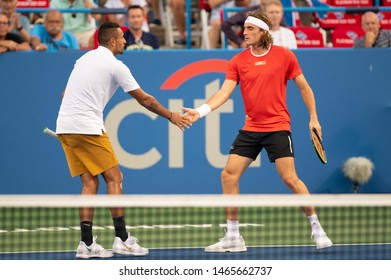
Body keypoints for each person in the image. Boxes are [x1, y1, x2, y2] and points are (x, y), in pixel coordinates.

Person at [182, 10, 333, 252]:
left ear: (263, 31)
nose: (245, 32)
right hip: (251, 127)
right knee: (228, 175)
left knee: (290, 179)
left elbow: (304, 88)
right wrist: (199, 112)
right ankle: (233, 236)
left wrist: (313, 118)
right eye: (245, 28)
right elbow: (224, 93)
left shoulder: (285, 56)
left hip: (278, 127)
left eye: (250, 28)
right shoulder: (238, 61)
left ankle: (317, 228)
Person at [55, 22, 191, 259]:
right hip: (87, 127)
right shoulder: (116, 66)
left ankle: (86, 244)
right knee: (115, 177)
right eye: (122, 38)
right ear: (113, 41)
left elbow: (65, 94)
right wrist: (172, 116)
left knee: (90, 183)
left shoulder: (84, 59)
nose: (126, 41)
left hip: (65, 126)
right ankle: (123, 239)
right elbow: (146, 100)